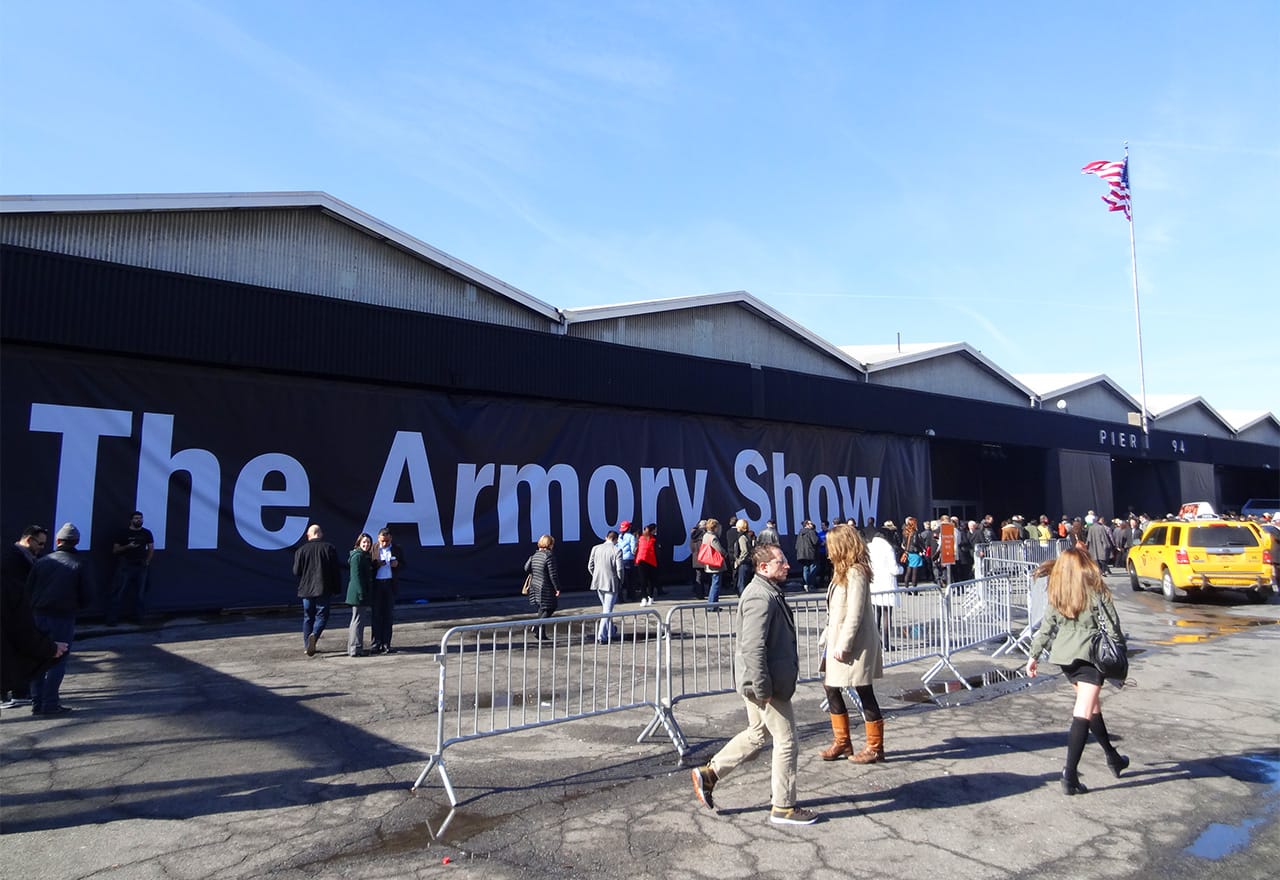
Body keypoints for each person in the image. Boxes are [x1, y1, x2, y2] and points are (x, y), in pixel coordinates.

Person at [690, 543, 818, 825]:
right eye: (780, 562)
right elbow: (752, 646)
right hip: (766, 685)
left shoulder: (768, 591)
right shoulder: (760, 596)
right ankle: (784, 807)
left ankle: (709, 774)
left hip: (762, 681)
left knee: (757, 734)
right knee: (787, 741)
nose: (786, 565)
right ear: (763, 568)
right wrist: (764, 689)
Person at [1026, 548, 1130, 795]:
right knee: (1084, 711)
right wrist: (1121, 654)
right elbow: (1113, 626)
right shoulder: (1096, 589)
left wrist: (1034, 655)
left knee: (1093, 707)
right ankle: (1069, 775)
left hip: (1065, 657)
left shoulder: (1057, 592)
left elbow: (1046, 627)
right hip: (1090, 656)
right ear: (1084, 565)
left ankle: (1112, 756)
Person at [815, 525, 887, 764]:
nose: (827, 550)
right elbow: (836, 611)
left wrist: (844, 644)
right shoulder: (842, 571)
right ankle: (842, 741)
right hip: (838, 640)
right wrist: (828, 636)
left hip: (854, 644)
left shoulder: (856, 572)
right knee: (830, 687)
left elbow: (854, 613)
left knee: (864, 690)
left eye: (830, 545)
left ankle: (875, 747)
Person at [27, 523, 94, 715]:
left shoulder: (42, 561)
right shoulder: (80, 563)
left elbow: (29, 588)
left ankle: (37, 702)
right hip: (63, 617)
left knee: (39, 657)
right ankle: (49, 703)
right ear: (77, 542)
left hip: (38, 615)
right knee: (58, 659)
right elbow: (88, 595)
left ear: (58, 541)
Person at [1, 526, 66, 710]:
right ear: (28, 540)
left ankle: (19, 693)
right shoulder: (12, 563)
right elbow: (21, 628)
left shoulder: (22, 559)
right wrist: (51, 648)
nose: (42, 548)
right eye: (40, 543)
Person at [293, 523, 340, 657]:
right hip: (323, 588)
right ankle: (315, 635)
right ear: (320, 534)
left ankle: (307, 645)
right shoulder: (329, 548)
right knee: (322, 616)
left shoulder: (301, 550)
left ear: (309, 535)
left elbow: (296, 571)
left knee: (308, 617)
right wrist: (337, 588)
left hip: (306, 590)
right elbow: (335, 571)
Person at [106, 510, 154, 625]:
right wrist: (128, 546)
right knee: (118, 592)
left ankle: (139, 618)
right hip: (126, 565)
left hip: (141, 565)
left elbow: (151, 548)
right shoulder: (123, 533)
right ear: (131, 520)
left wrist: (147, 561)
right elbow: (115, 550)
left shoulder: (146, 533)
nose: (139, 520)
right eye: (136, 518)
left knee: (140, 594)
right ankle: (112, 619)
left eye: (140, 518)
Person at [370, 528, 406, 654]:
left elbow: (404, 564)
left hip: (390, 584)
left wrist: (397, 564)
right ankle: (375, 643)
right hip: (377, 584)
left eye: (386, 541)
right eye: (382, 541)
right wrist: (376, 564)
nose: (384, 544)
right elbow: (368, 565)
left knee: (388, 615)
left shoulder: (396, 548)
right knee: (376, 615)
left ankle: (386, 643)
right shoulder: (373, 548)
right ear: (378, 538)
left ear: (391, 538)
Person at [867, 527, 902, 652]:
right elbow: (894, 569)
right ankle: (886, 643)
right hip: (887, 584)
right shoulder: (888, 548)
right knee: (887, 615)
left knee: (876, 614)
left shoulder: (869, 547)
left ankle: (876, 642)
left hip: (874, 584)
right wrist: (901, 569)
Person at [588, 530, 624, 642]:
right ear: (616, 539)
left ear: (606, 537)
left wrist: (595, 575)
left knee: (606, 608)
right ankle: (601, 636)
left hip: (598, 582)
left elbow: (590, 566)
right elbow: (620, 569)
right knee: (607, 610)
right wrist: (621, 580)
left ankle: (611, 631)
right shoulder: (617, 550)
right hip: (611, 583)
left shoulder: (595, 548)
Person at [525, 534, 561, 639]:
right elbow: (552, 574)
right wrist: (557, 588)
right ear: (549, 544)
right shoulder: (549, 556)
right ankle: (537, 626)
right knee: (551, 607)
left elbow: (526, 568)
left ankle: (541, 634)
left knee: (541, 609)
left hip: (535, 586)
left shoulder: (535, 555)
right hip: (546, 587)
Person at [346, 533, 375, 657]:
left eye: (368, 542)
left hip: (360, 593)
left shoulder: (364, 556)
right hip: (358, 594)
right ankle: (355, 648)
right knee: (358, 621)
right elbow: (356, 576)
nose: (366, 544)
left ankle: (353, 648)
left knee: (356, 620)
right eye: (364, 542)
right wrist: (361, 592)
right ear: (359, 543)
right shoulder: (357, 556)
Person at [700, 518, 728, 607]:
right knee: (716, 585)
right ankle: (712, 605)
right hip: (715, 564)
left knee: (713, 584)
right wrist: (725, 553)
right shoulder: (713, 537)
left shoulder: (705, 536)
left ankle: (712, 604)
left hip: (709, 563)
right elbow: (719, 549)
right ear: (714, 527)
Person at [635, 524, 659, 606]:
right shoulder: (653, 539)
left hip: (642, 561)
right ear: (652, 530)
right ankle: (648, 598)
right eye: (655, 529)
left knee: (644, 581)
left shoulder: (641, 538)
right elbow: (657, 551)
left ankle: (645, 598)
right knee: (649, 581)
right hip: (648, 561)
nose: (656, 531)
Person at [731, 519, 755, 597]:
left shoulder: (742, 537)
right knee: (745, 583)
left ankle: (744, 601)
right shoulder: (747, 536)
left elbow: (744, 551)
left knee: (741, 584)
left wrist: (738, 561)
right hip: (748, 562)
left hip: (744, 563)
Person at [794, 520, 820, 592]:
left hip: (801, 554)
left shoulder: (800, 533)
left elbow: (797, 545)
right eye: (810, 523)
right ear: (807, 525)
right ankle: (811, 584)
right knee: (813, 568)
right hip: (811, 553)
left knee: (805, 569)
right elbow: (815, 541)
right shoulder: (811, 532)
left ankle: (806, 584)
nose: (812, 524)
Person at [617, 521, 638, 602]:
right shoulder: (631, 537)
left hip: (621, 559)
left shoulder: (619, 537)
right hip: (629, 559)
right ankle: (632, 596)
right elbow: (633, 550)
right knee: (631, 580)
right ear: (629, 528)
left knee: (622, 580)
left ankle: (621, 598)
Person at [689, 520, 708, 600]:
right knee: (705, 576)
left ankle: (699, 592)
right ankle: (702, 593)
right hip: (703, 557)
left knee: (698, 576)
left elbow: (691, 548)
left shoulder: (693, 537)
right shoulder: (704, 535)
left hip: (696, 557)